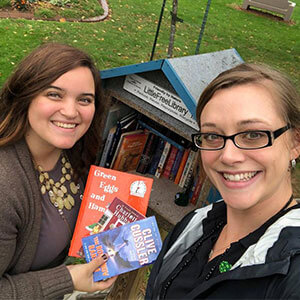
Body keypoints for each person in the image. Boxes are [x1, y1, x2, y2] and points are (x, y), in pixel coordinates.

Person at [146, 63, 300, 299]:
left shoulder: (292, 272)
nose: (228, 156)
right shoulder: (195, 226)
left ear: (295, 143)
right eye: (212, 136)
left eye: (253, 134)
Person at [0, 43, 117, 299]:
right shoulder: (5, 186)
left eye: (84, 99)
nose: (71, 112)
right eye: (54, 94)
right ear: (25, 96)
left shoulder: (73, 153)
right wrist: (68, 278)